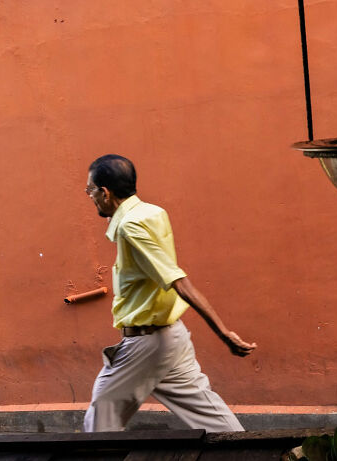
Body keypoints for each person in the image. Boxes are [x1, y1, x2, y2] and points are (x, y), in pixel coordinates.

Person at [83, 154, 257, 432]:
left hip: (145, 343)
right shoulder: (152, 212)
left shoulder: (130, 227)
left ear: (105, 193)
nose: (89, 196)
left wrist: (224, 333)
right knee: (212, 419)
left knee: (99, 421)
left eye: (90, 190)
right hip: (172, 336)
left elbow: (177, 280)